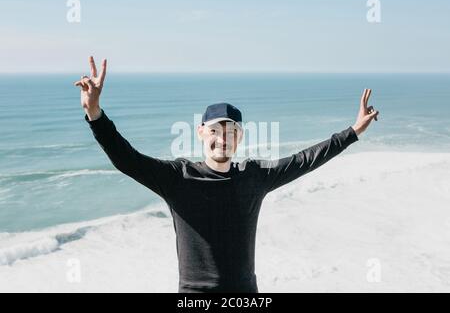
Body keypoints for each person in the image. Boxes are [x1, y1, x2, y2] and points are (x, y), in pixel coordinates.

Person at [74, 56, 379, 293]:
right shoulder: (177, 178)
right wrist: (95, 113)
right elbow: (126, 159)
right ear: (200, 132)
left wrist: (353, 132)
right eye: (216, 130)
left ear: (240, 137)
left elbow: (305, 159)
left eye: (231, 131)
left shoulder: (255, 176)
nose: (223, 138)